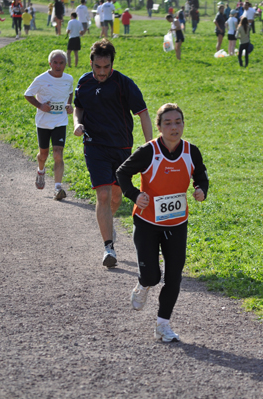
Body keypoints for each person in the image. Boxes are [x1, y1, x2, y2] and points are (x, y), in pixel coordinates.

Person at [116, 103, 209, 343]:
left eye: (178, 122)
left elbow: (200, 176)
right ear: (158, 127)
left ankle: (162, 325)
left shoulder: (191, 151)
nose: (173, 127)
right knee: (151, 277)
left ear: (183, 124)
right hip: (147, 222)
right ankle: (143, 285)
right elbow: (122, 173)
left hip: (177, 223)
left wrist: (201, 190)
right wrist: (135, 195)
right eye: (167, 123)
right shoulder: (149, 151)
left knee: (174, 277)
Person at [72, 39, 153, 268]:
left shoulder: (123, 84)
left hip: (121, 148)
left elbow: (143, 113)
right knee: (104, 196)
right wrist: (78, 123)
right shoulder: (84, 83)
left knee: (117, 196)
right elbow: (79, 106)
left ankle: (108, 224)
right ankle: (109, 247)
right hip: (94, 147)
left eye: (106, 67)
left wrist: (151, 147)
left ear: (112, 65)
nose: (101, 72)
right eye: (97, 67)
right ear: (91, 63)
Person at [24, 50, 74, 201]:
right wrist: (40, 105)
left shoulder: (69, 78)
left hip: (60, 121)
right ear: (50, 63)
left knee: (58, 153)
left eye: (61, 63)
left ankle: (58, 188)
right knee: (43, 154)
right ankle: (40, 170)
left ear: (65, 64)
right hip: (44, 122)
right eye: (55, 62)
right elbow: (27, 94)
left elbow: (70, 92)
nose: (58, 66)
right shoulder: (41, 79)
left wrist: (69, 104)